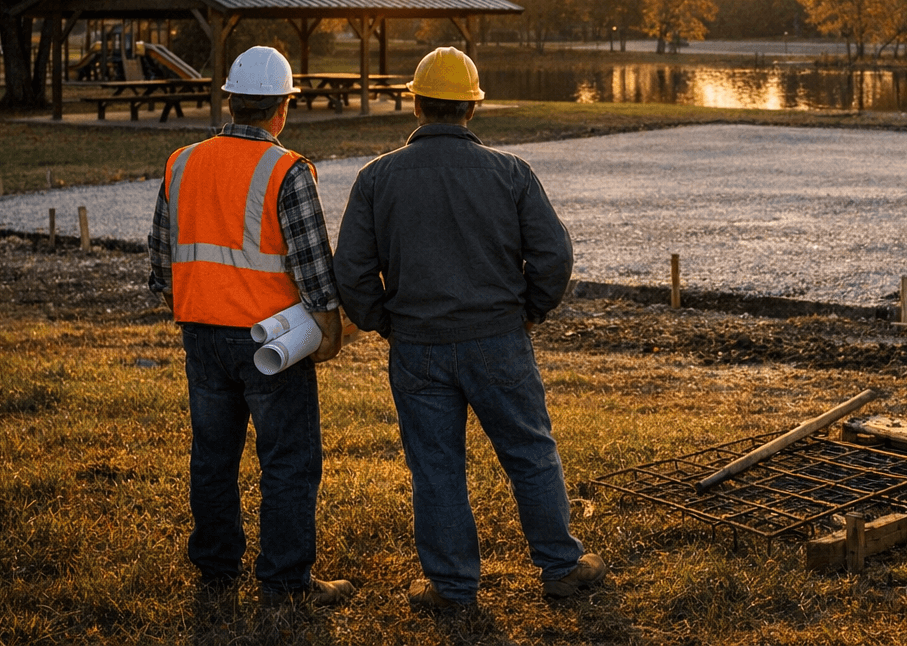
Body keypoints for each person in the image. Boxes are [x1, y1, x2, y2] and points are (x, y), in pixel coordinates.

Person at [333, 46, 604, 613]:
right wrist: (531, 309)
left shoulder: (376, 178)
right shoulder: (511, 173)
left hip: (418, 347)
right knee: (530, 454)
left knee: (435, 468)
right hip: (499, 339)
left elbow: (353, 271)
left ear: (416, 106)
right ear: (471, 110)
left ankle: (453, 588)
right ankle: (560, 567)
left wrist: (385, 322)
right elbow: (553, 256)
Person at [148, 45, 355, 605]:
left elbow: (161, 260)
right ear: (281, 110)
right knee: (288, 461)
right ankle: (286, 582)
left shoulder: (182, 161)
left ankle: (216, 568)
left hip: (200, 332)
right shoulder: (287, 169)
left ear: (233, 103)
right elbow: (314, 269)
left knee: (213, 455)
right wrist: (329, 331)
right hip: (272, 342)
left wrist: (193, 307)